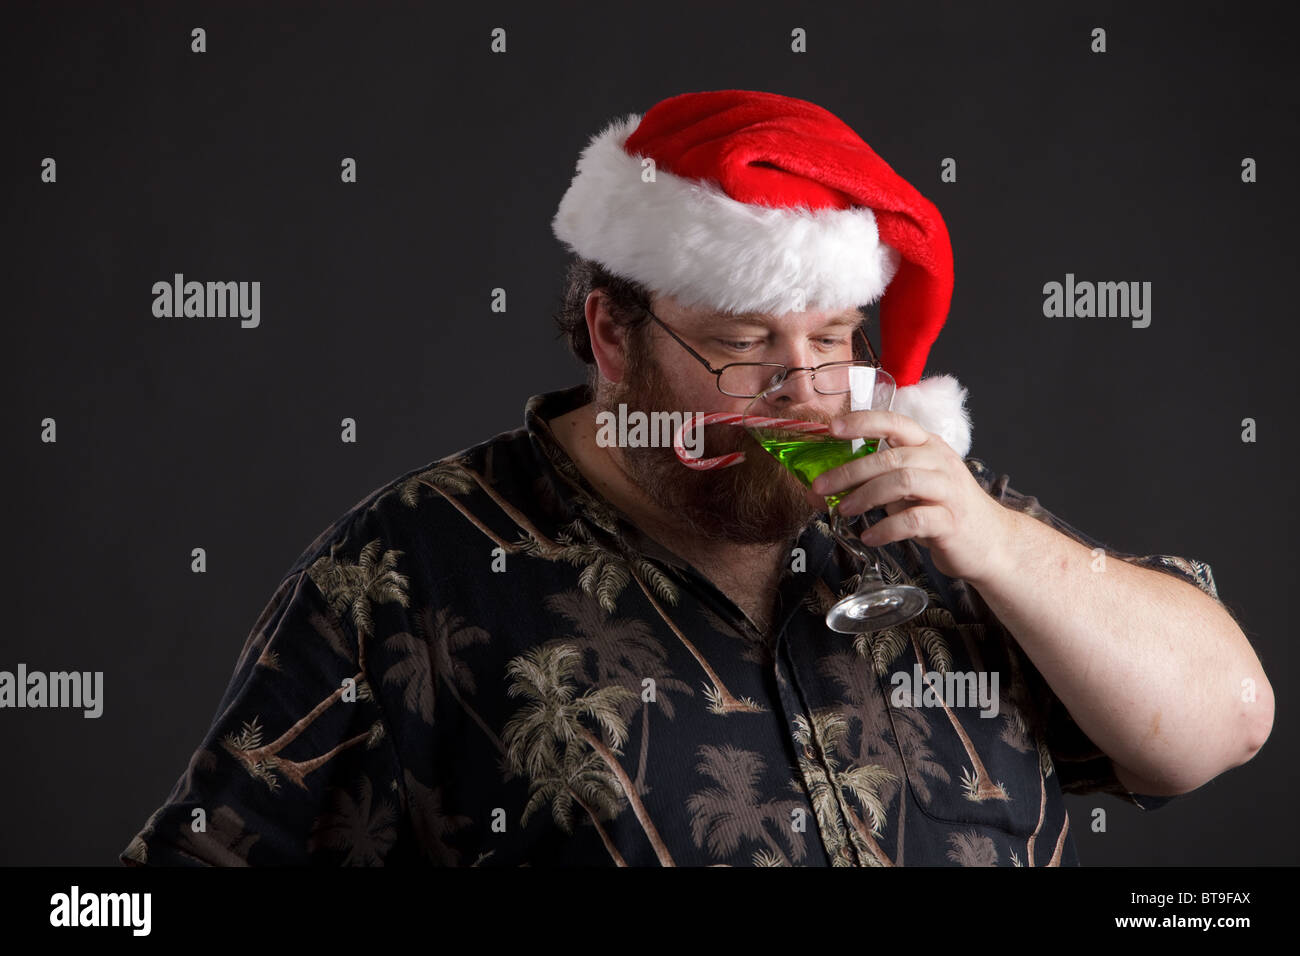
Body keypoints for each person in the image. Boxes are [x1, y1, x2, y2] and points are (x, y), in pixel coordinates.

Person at [121, 89, 1271, 867]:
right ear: (612, 333)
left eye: (832, 337)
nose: (805, 390)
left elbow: (1222, 722)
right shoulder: (410, 565)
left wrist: (1001, 544)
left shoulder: (937, 514)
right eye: (742, 342)